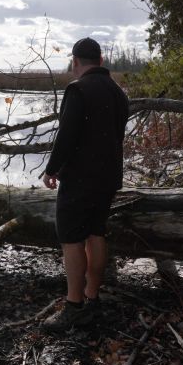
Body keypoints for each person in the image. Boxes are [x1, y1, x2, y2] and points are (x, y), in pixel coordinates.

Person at [40, 37, 130, 332]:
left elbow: (67, 135)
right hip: (108, 178)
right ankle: (92, 299)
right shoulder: (119, 92)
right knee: (96, 233)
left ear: (76, 62)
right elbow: (117, 135)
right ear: (101, 61)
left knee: (71, 240)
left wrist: (51, 170)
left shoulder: (78, 89)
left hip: (79, 179)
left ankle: (74, 306)